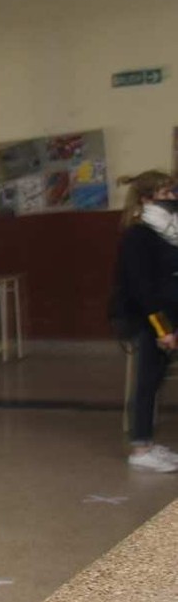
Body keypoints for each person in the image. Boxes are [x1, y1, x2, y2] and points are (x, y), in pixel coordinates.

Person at [112, 170, 178, 472]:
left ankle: (149, 443)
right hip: (147, 320)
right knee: (147, 382)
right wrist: (163, 330)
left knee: (156, 379)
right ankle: (140, 448)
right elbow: (143, 291)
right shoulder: (138, 236)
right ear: (146, 199)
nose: (173, 198)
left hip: (168, 317)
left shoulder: (168, 233)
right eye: (166, 194)